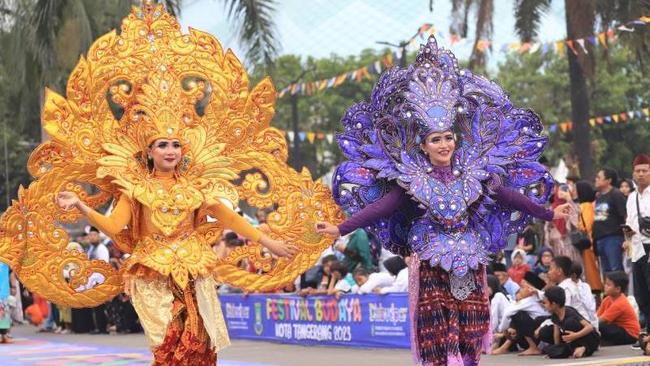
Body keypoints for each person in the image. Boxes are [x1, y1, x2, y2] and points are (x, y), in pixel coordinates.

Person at [0, 3, 349, 365]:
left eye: (176, 144)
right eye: (162, 145)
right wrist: (83, 205)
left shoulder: (198, 184)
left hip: (195, 272)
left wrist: (269, 241)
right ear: (149, 151)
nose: (170, 150)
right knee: (169, 347)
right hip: (153, 273)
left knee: (200, 347)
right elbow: (112, 227)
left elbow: (230, 219)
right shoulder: (133, 187)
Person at [315, 35, 571, 365]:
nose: (444, 144)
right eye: (436, 139)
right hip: (432, 259)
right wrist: (340, 228)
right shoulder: (410, 178)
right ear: (423, 145)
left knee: (470, 329)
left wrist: (549, 213)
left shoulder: (475, 171)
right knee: (435, 336)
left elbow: (509, 196)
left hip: (471, 257)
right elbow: (382, 207)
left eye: (448, 137)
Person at [492, 272, 548, 356]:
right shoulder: (535, 297)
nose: (519, 290)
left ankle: (533, 347)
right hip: (535, 332)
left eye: (522, 287)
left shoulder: (530, 300)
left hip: (539, 335)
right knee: (516, 317)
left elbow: (508, 312)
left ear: (530, 289)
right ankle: (504, 346)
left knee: (518, 315)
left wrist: (502, 330)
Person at [626, 154, 650, 335]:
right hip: (636, 249)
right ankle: (648, 332)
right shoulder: (631, 197)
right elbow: (630, 221)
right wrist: (627, 235)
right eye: (638, 171)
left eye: (645, 171)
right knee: (642, 295)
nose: (641, 174)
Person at [542, 286, 600, 358]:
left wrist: (575, 335)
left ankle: (583, 347)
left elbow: (589, 327)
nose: (543, 305)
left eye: (545, 303)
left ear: (553, 304)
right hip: (573, 340)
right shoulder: (555, 314)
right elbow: (556, 333)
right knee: (550, 349)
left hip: (589, 338)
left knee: (569, 323)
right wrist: (556, 348)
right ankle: (575, 350)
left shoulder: (570, 312)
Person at [593, 168, 627, 272]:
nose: (596, 179)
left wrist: (628, 239)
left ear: (608, 180)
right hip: (600, 239)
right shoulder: (599, 197)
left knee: (616, 270)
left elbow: (625, 216)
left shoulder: (616, 194)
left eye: (599, 177)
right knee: (606, 272)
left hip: (613, 238)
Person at [573, 181, 603, 293]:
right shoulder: (585, 205)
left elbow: (585, 224)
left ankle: (596, 289)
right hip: (588, 242)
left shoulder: (585, 205)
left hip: (588, 242)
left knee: (591, 268)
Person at [598, 271, 640, 345]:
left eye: (608, 285)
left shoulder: (620, 303)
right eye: (605, 284)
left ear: (617, 289)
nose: (605, 286)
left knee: (600, 326)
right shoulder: (607, 299)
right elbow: (597, 316)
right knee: (597, 327)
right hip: (618, 328)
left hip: (630, 334)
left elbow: (601, 321)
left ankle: (606, 341)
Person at [0, 263, 11, 343]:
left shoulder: (5, 261)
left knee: (4, 314)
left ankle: (4, 334)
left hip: (4, 291)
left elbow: (12, 273)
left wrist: (13, 287)